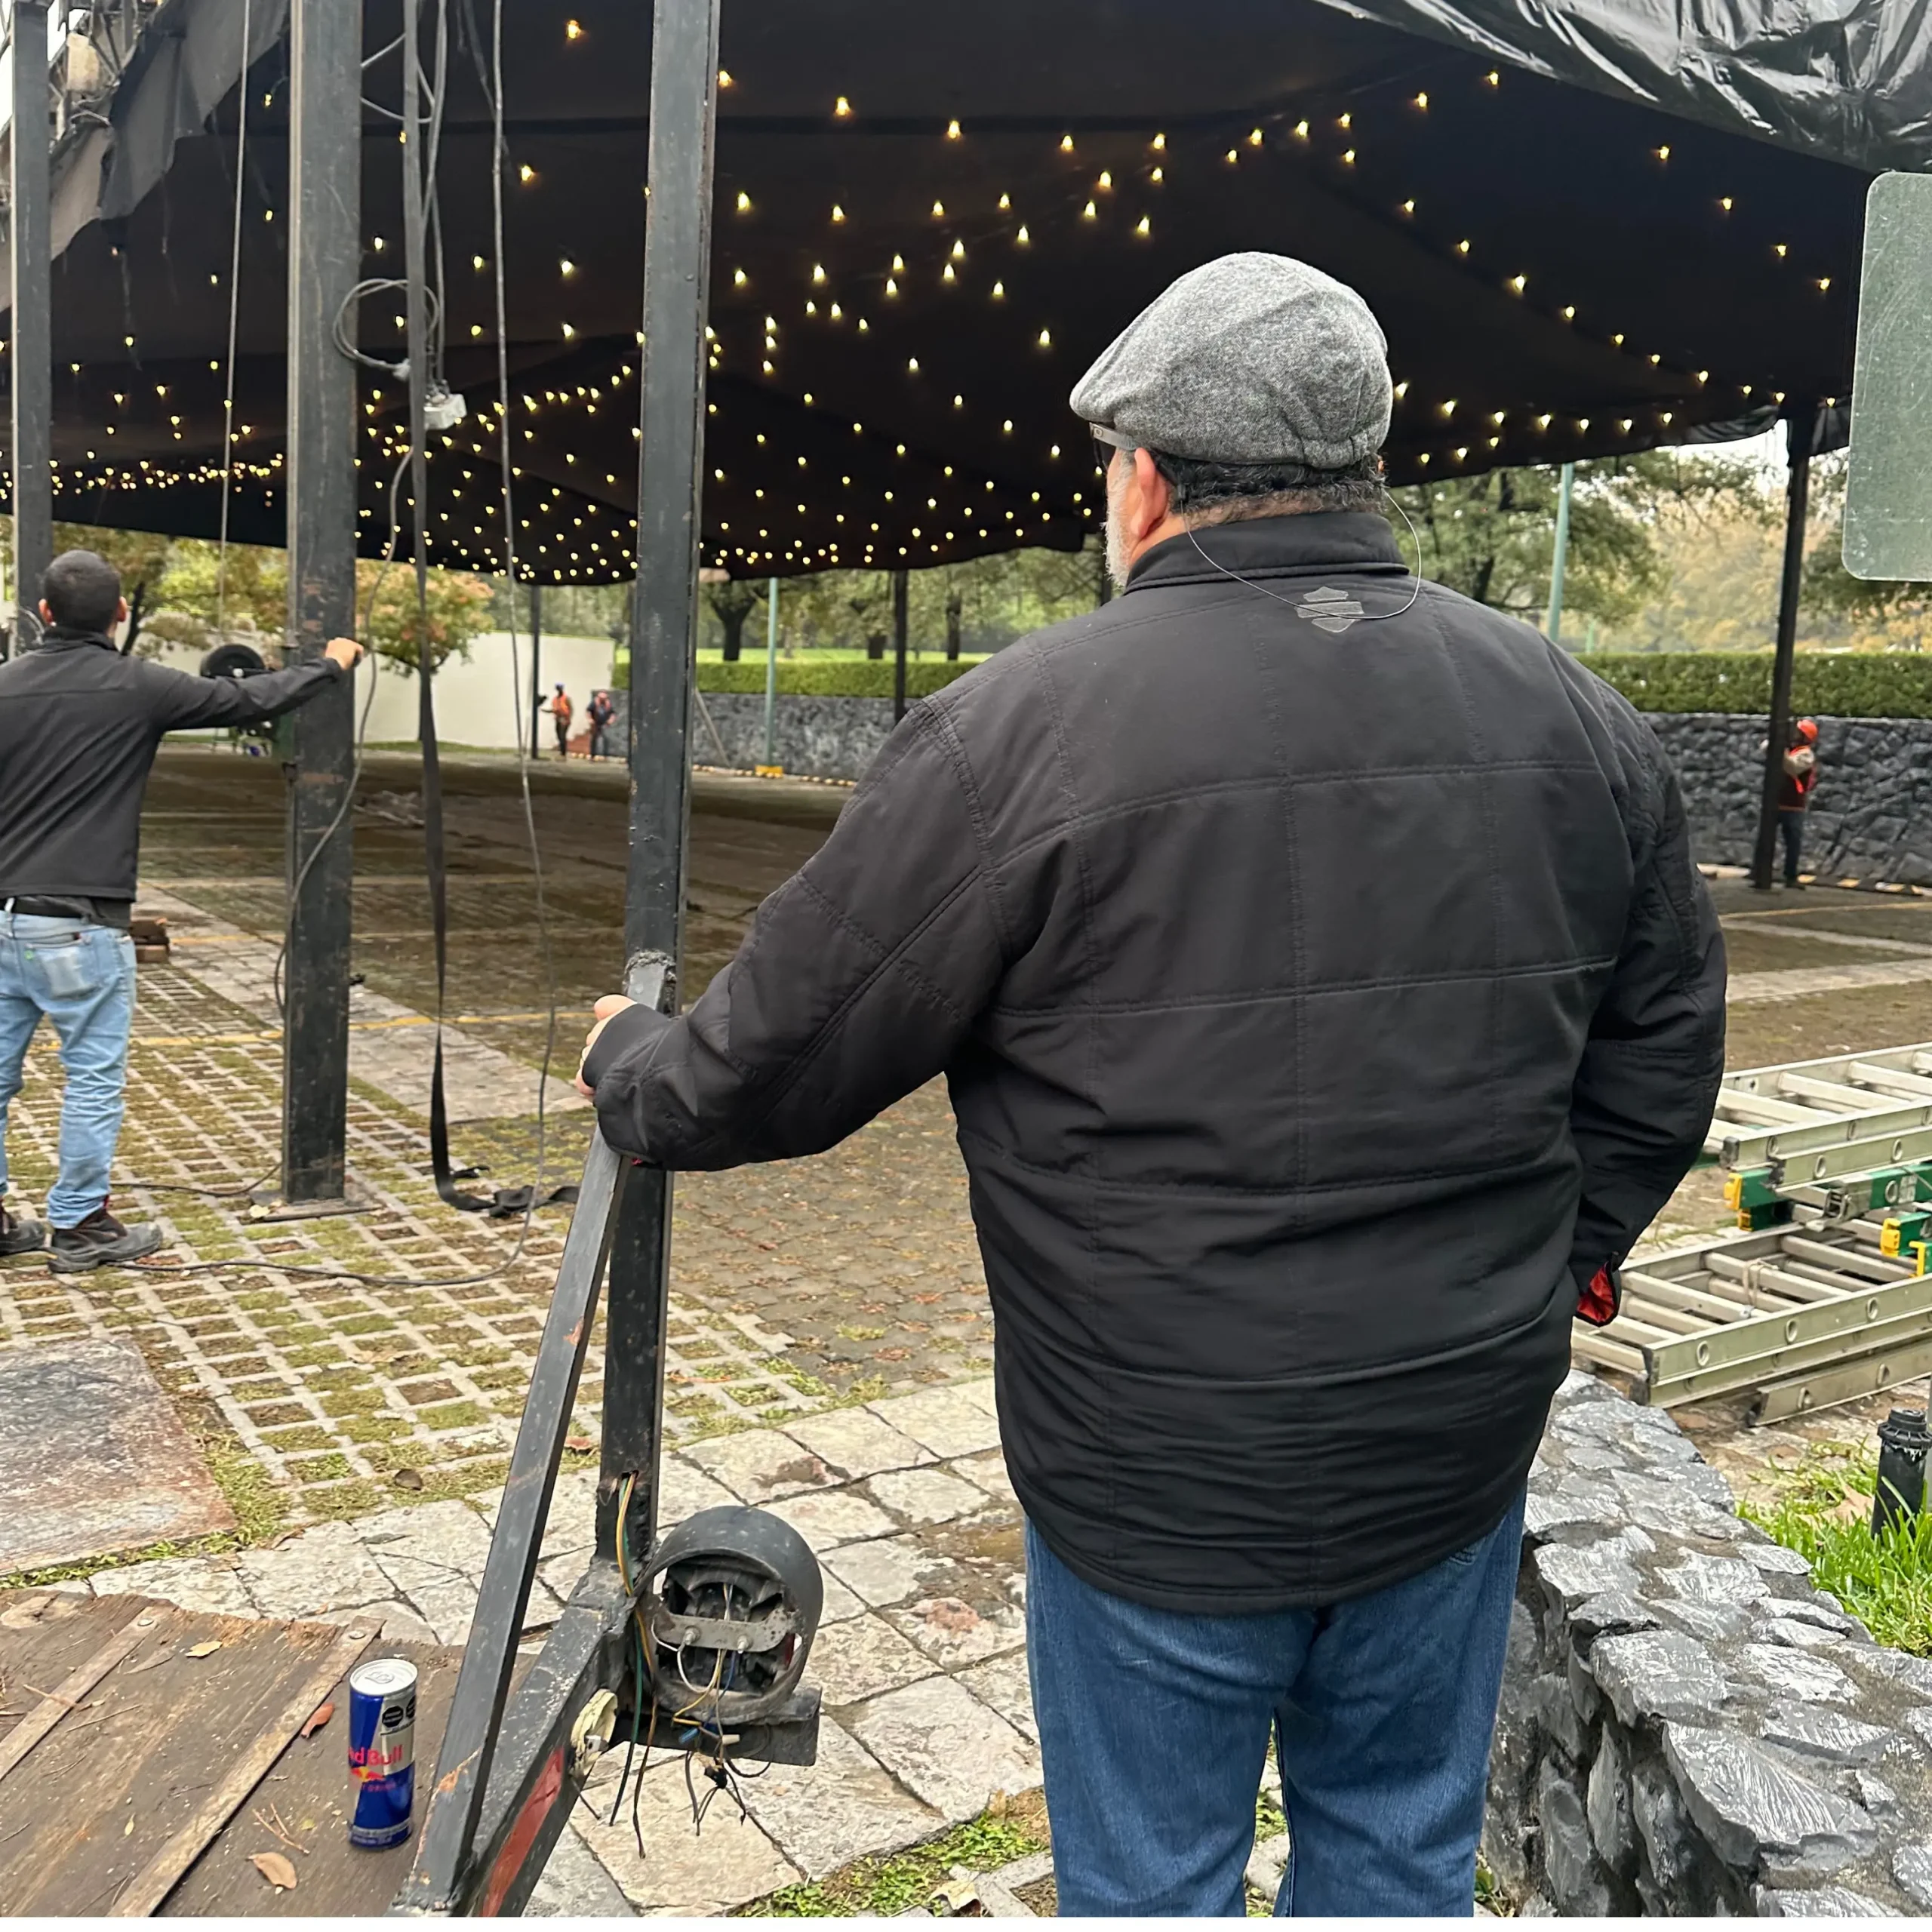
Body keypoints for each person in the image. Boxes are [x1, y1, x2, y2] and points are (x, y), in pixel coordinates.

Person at [574, 255, 1726, 1915]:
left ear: (1144, 477)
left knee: (1149, 1884)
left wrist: (632, 1066)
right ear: (1361, 462)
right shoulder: (1580, 720)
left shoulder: (1019, 732)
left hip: (1151, 1464)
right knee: (1401, 1853)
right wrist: (1561, 1259)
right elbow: (1664, 1042)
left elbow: (778, 1064)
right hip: (1454, 1434)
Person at [0, 549, 365, 1270]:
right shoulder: (140, 686)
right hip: (81, 921)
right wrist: (330, 663)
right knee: (93, 1076)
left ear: (43, 613)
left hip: (3, 914)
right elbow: (252, 700)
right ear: (121, 613)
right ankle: (78, 1226)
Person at [1777, 716, 1820, 887]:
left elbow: (1792, 767)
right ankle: (1759, 869)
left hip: (1793, 805)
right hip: (1777, 800)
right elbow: (1765, 747)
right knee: (1765, 838)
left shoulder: (1805, 755)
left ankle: (1790, 876)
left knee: (1793, 842)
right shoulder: (1789, 750)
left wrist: (1780, 749)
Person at [544, 682, 574, 759]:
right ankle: (561, 751)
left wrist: (568, 719)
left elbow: (570, 709)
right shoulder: (555, 699)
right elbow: (554, 710)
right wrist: (546, 711)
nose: (559, 690)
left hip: (565, 719)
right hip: (558, 719)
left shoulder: (566, 698)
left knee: (562, 736)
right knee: (559, 736)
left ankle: (563, 753)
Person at [587, 688, 616, 761]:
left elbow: (613, 713)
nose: (602, 700)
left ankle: (605, 756)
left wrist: (611, 720)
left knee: (606, 739)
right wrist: (590, 719)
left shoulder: (608, 704)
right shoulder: (594, 703)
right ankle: (592, 755)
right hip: (595, 723)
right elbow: (589, 711)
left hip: (604, 724)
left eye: (604, 698)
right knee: (594, 739)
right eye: (601, 698)